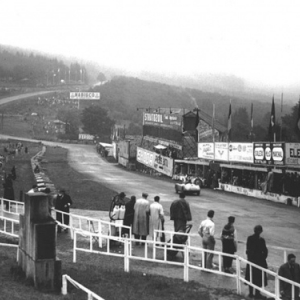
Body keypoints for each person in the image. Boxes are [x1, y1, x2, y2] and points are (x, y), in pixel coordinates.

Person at [245, 225, 268, 299]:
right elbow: (265, 251)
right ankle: (257, 293)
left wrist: (250, 258)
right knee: (258, 278)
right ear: (261, 231)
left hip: (252, 260)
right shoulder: (261, 240)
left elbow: (248, 250)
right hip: (259, 261)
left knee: (251, 276)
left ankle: (251, 293)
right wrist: (263, 258)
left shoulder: (250, 238)